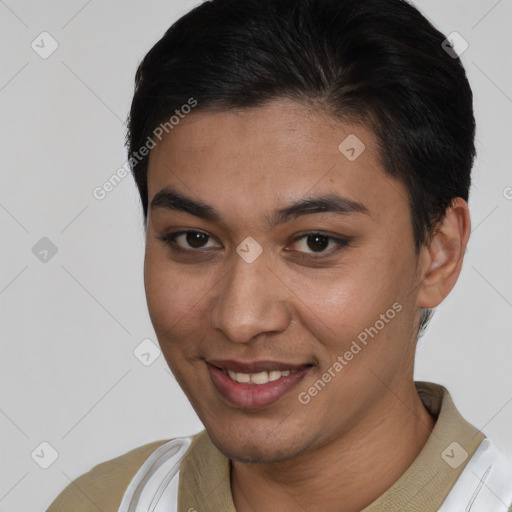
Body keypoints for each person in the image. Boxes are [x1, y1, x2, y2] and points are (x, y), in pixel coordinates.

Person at [47, 0, 512, 510]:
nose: (240, 318)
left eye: (316, 242)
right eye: (194, 239)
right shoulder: (104, 501)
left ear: (439, 252)